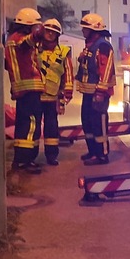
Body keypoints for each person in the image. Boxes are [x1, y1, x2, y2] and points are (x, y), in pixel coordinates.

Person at [4, 7, 44, 174]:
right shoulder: (20, 39)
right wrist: (38, 34)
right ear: (28, 26)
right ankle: (25, 160)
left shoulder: (10, 40)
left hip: (22, 89)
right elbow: (27, 42)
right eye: (35, 26)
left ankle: (20, 159)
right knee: (31, 125)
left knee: (23, 124)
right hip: (29, 89)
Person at [75, 13, 115, 168]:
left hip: (99, 94)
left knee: (99, 125)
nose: (83, 31)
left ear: (94, 30)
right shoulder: (91, 45)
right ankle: (93, 151)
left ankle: (102, 155)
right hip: (88, 93)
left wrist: (100, 92)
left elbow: (106, 70)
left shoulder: (103, 46)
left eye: (85, 28)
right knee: (88, 123)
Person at [38, 18, 74, 166]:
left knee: (51, 128)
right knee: (33, 128)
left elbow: (68, 74)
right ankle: (29, 156)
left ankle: (51, 156)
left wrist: (67, 94)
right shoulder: (35, 49)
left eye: (54, 32)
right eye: (48, 31)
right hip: (35, 95)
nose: (50, 34)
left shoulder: (63, 52)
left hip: (52, 97)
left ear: (58, 35)